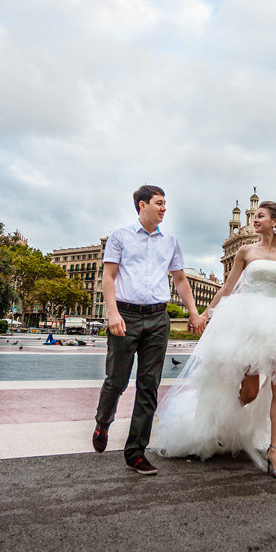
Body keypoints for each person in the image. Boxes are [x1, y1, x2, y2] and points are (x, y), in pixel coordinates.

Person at [151, 201, 276, 480]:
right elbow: (227, 289)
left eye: (261, 216)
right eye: (255, 215)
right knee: (249, 392)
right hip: (247, 321)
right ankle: (220, 423)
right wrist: (202, 314)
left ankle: (275, 450)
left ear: (275, 222)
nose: (256, 220)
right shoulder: (244, 251)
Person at [93, 184, 205, 476]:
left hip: (158, 318)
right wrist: (113, 314)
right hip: (125, 316)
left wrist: (193, 312)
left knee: (148, 386)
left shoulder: (170, 241)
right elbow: (109, 276)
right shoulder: (120, 237)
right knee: (116, 381)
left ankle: (135, 453)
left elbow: (180, 280)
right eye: (159, 203)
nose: (164, 208)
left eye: (165, 203)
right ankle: (103, 422)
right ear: (142, 205)